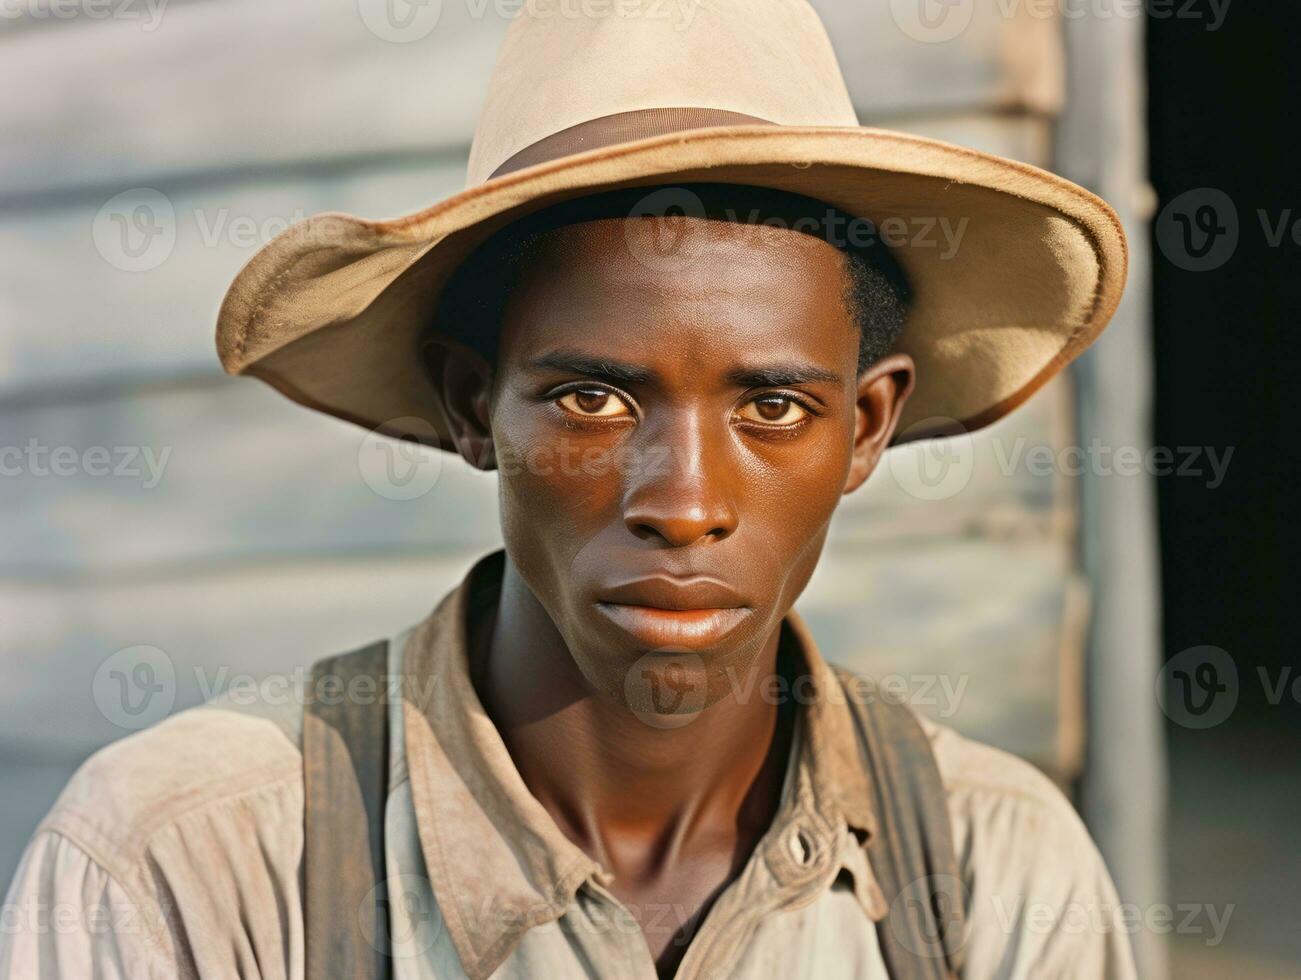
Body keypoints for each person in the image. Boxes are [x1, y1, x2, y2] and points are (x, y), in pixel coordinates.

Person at [1, 2, 1135, 978]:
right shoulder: (191, 860)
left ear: (867, 423)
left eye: (773, 408)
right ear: (467, 403)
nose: (684, 501)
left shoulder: (989, 871)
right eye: (594, 399)